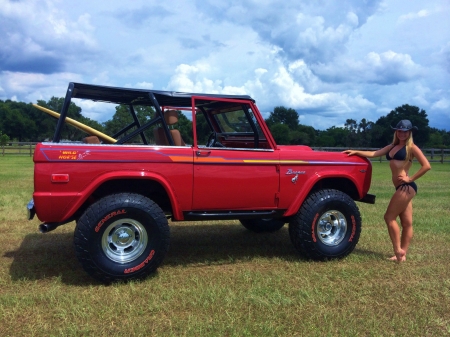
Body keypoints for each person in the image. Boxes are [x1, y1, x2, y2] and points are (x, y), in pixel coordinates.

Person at [343, 120, 431, 262]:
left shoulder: (412, 148)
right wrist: (355, 152)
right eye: (399, 131)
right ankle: (402, 256)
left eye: (405, 131)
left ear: (409, 133)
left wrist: (410, 179)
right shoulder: (392, 146)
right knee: (407, 222)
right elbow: (374, 153)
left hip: (406, 187)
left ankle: (398, 251)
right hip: (401, 187)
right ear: (396, 132)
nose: (402, 133)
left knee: (389, 217)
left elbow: (426, 166)